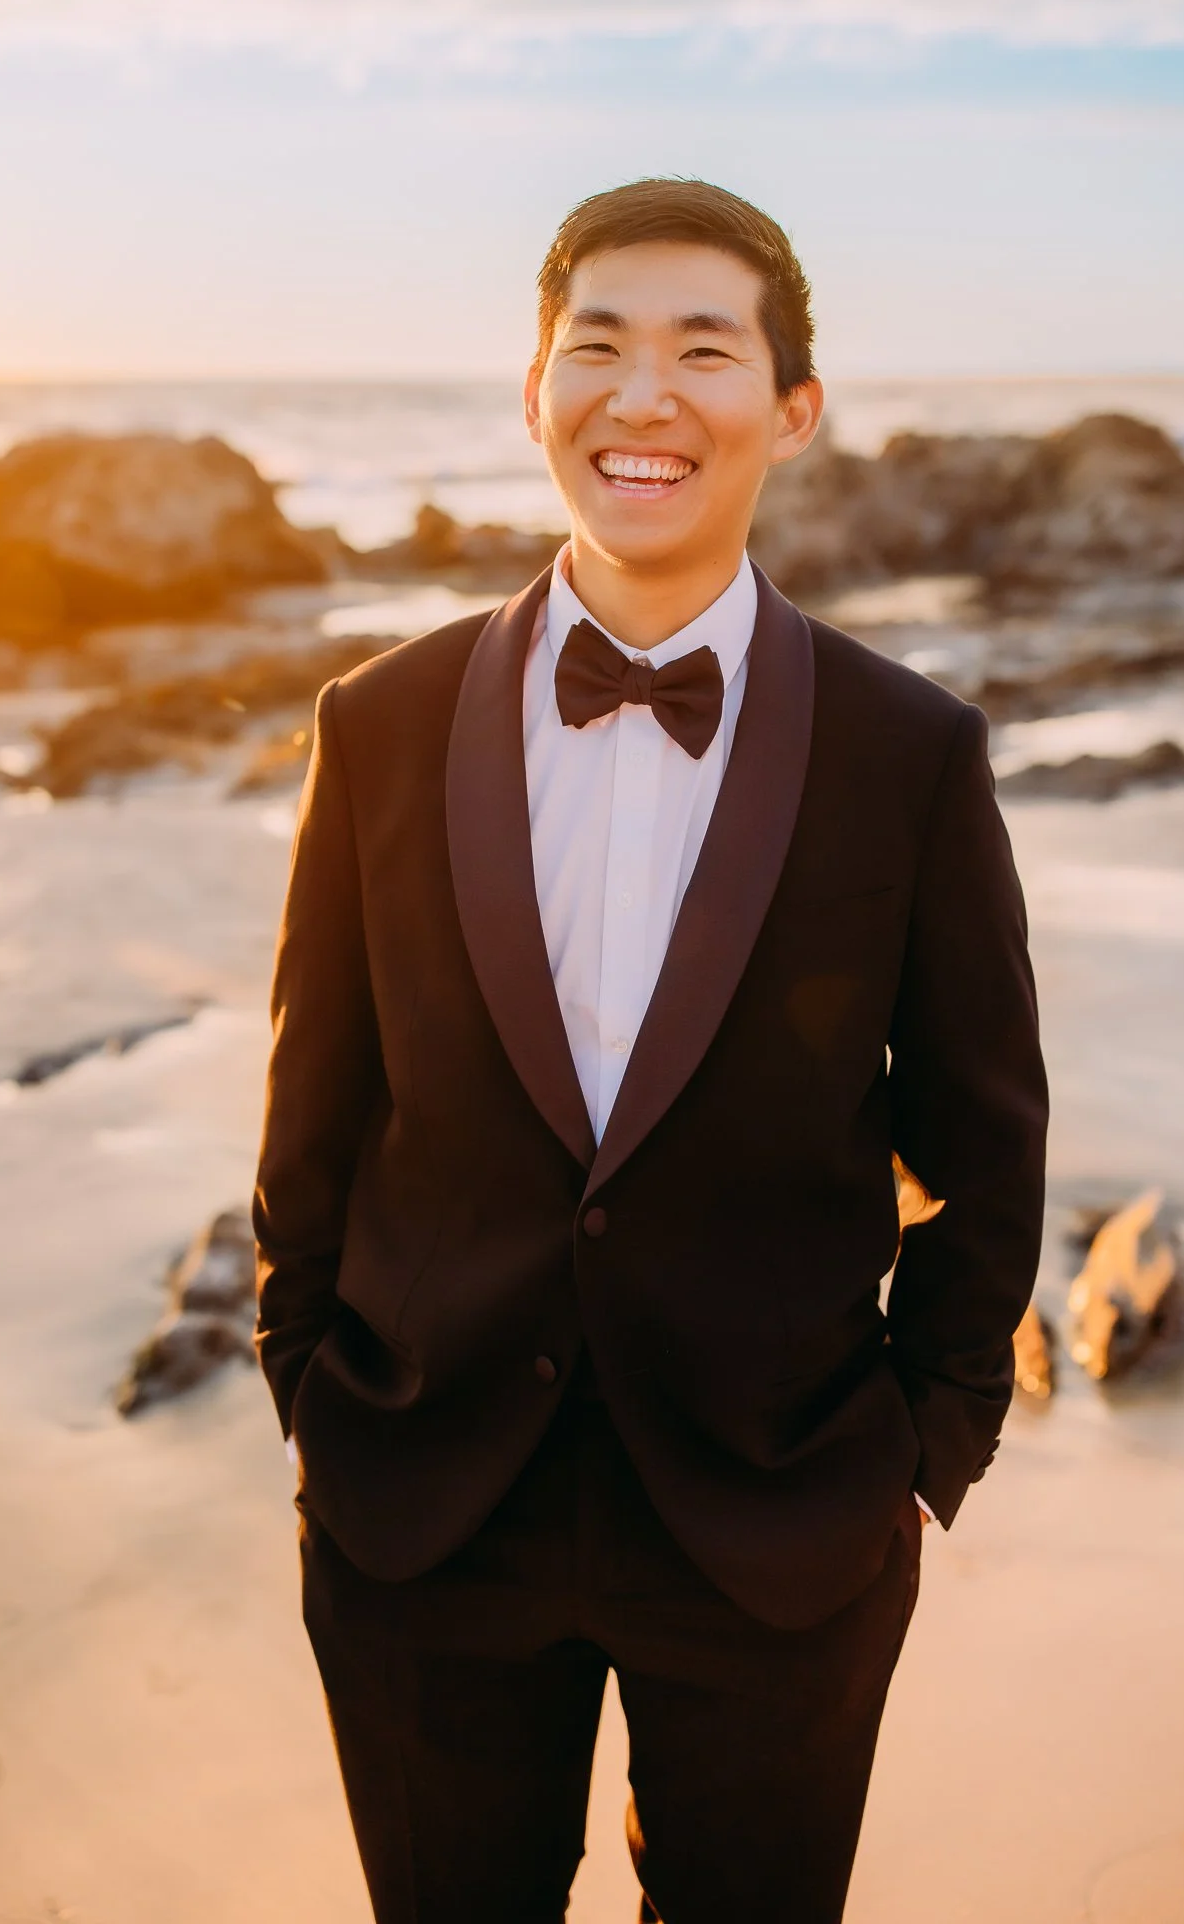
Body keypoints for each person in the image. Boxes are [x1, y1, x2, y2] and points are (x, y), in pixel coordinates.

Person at [253, 177, 1048, 1924]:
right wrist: (308, 1386)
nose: (643, 398)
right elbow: (314, 1107)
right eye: (598, 347)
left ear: (793, 410)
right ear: (534, 390)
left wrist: (925, 1449)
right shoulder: (377, 725)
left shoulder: (909, 752)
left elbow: (989, 1144)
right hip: (423, 1510)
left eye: (704, 351)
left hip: (785, 1520)